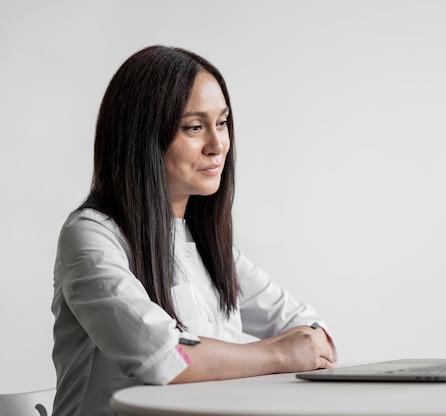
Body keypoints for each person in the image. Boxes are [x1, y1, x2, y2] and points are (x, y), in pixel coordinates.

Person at [51, 45, 336, 415]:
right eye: (195, 127)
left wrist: (302, 345)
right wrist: (281, 354)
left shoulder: (205, 244)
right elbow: (162, 358)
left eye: (222, 123)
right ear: (142, 137)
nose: (218, 146)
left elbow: (312, 329)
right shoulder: (91, 236)